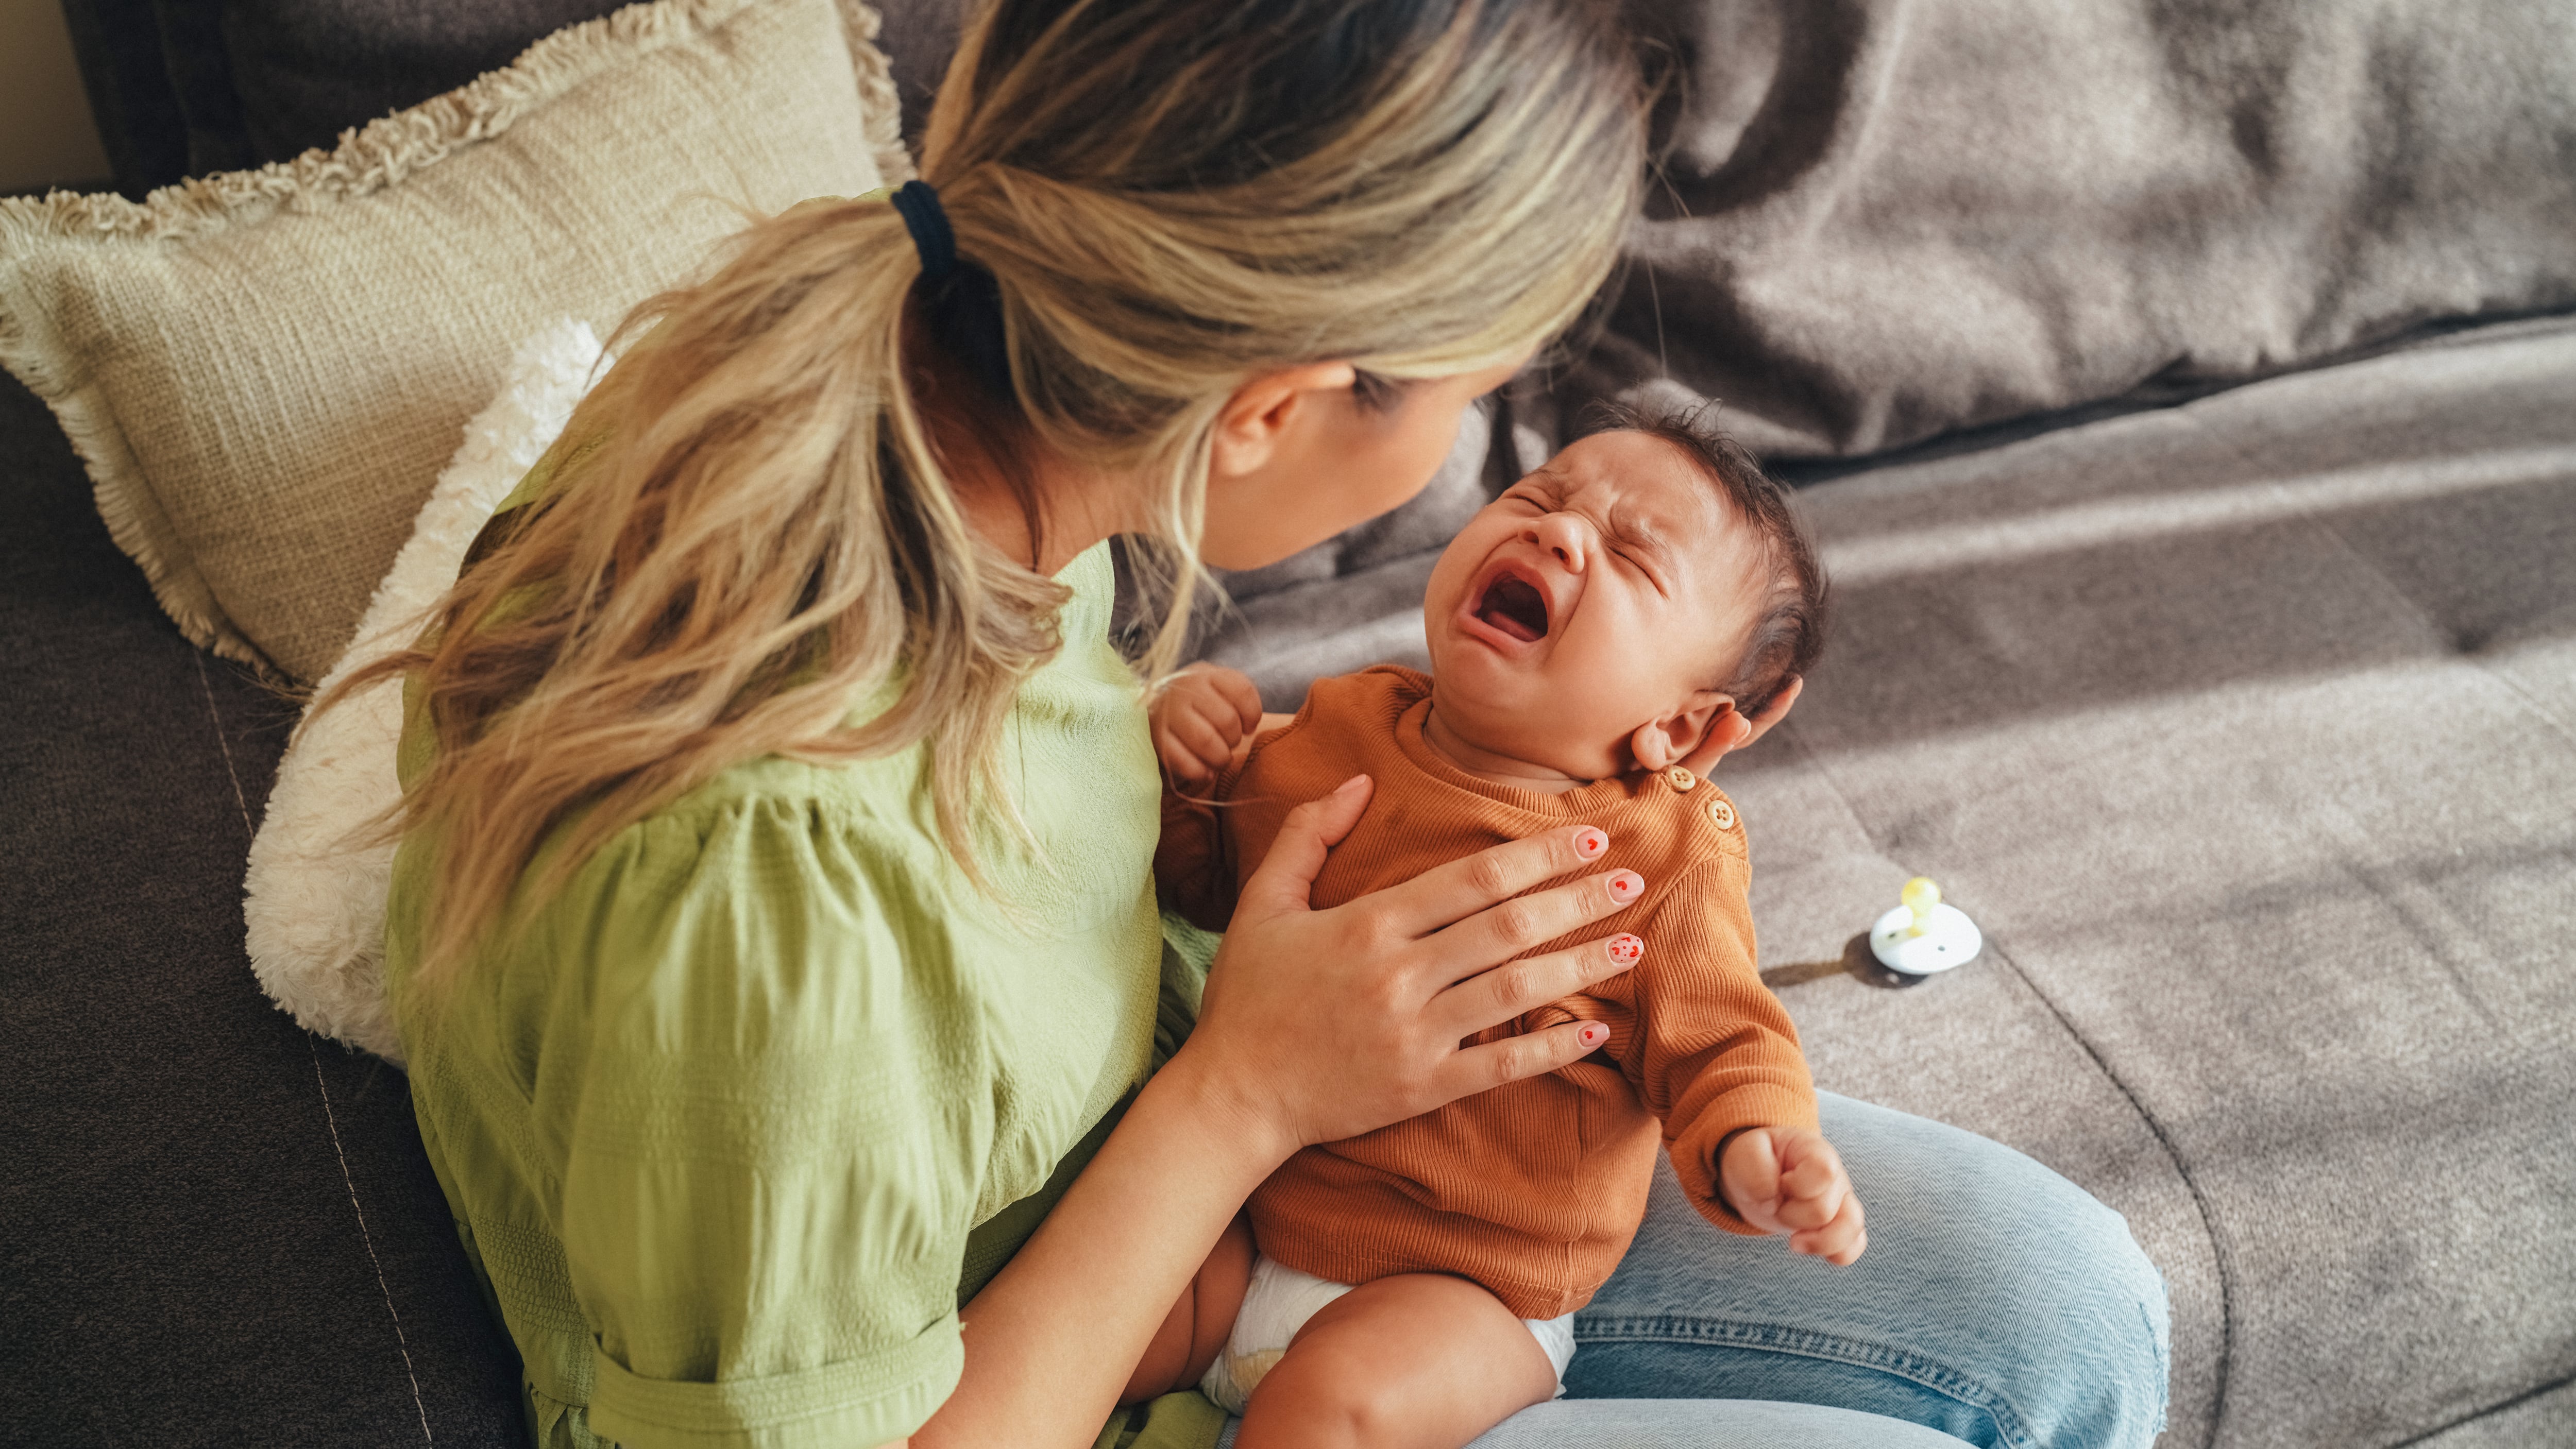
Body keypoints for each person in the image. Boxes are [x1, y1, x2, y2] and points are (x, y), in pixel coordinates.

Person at [349, 1, 2170, 1446]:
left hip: (1289, 1141)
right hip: (1098, 1324)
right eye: (1474, 411)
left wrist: (1202, 823)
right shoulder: (766, 903)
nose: (1486, 482)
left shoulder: (963, 397)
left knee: (2076, 1305)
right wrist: (1245, 1094)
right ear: (1276, 408)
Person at [1138, 412, 1856, 1448]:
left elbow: (1723, 1037)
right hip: (1248, 1217)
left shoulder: (1662, 857)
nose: (1558, 536)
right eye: (1539, 497)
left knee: (1327, 1411)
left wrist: (1759, 1143)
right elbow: (1206, 892)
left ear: (1683, 728)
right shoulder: (1341, 725)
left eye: (1630, 555)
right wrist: (1185, 772)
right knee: (1109, 1313)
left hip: (1463, 1285)